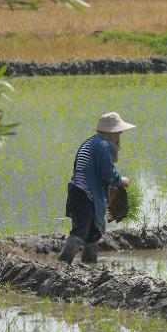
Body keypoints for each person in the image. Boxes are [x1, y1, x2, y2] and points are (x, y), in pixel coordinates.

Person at [59, 112, 133, 265]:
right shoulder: (103, 146)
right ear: (111, 133)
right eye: (118, 134)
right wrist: (121, 180)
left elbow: (90, 171)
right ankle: (62, 264)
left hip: (79, 193)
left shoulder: (90, 143)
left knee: (93, 232)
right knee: (81, 230)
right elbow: (107, 173)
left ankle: (90, 265)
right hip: (84, 195)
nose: (119, 138)